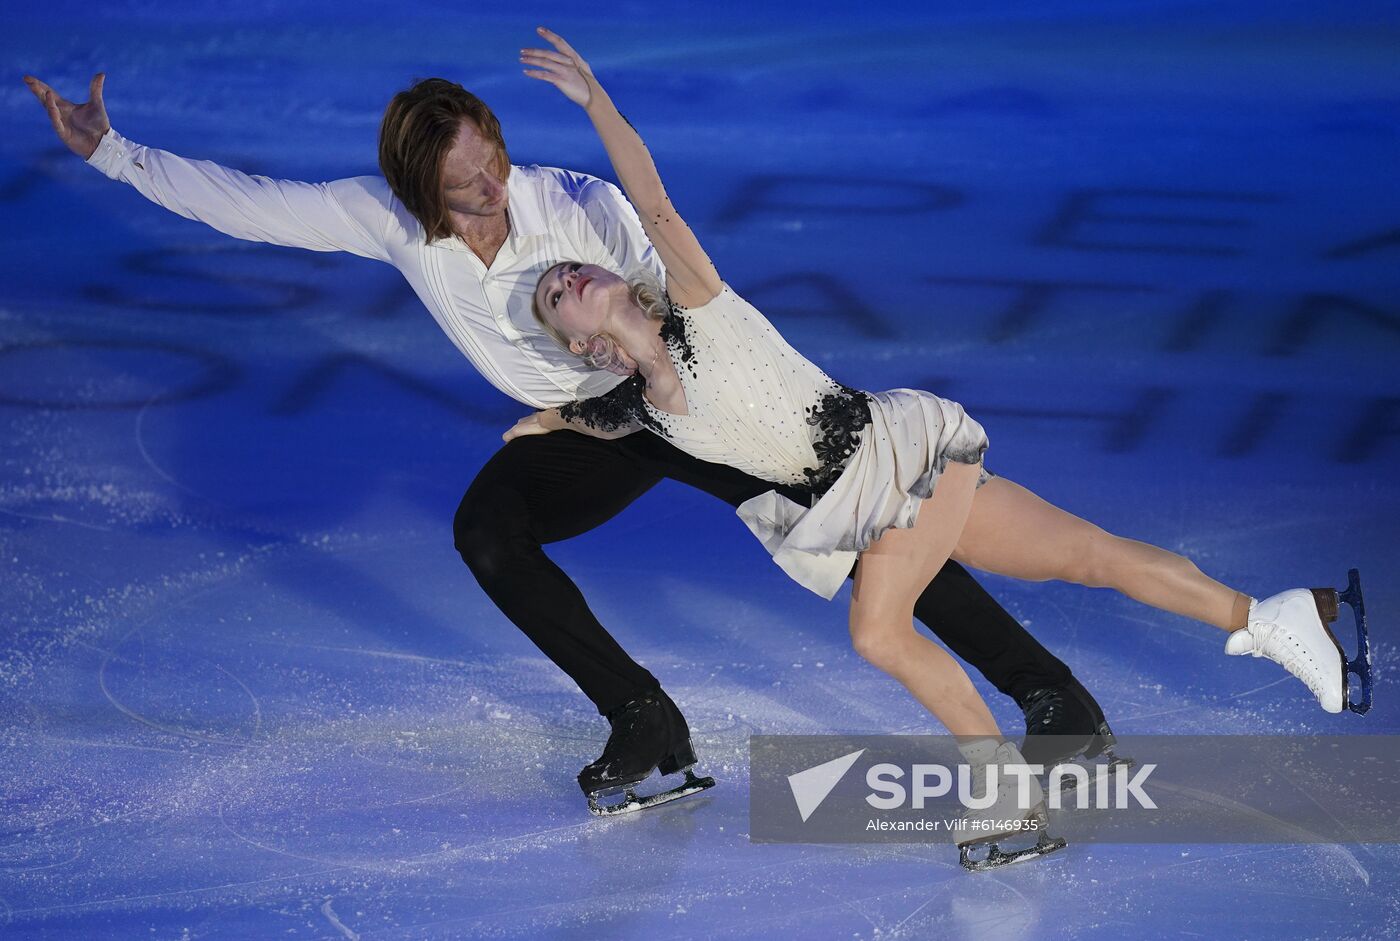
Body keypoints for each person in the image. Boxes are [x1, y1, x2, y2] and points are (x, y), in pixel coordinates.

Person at [24, 57, 1122, 816]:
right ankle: (644, 719)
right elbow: (252, 202)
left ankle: (1048, 693)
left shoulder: (572, 204)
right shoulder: (390, 221)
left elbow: (673, 309)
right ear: (419, 187)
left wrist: (641, 392)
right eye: (459, 184)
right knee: (488, 532)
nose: (487, 188)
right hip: (588, 425)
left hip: (673, 397)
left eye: (489, 159)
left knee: (865, 516)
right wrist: (112, 153)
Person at [514, 27, 1370, 855]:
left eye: (570, 270)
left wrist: (598, 102)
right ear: (584, 344)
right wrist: (540, 421)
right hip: (881, 485)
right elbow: (576, 417)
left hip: (896, 452)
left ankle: (1002, 784)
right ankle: (1267, 615)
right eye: (557, 295)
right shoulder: (639, 408)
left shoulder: (697, 299)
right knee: (1088, 555)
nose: (569, 277)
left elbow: (652, 197)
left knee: (878, 632)